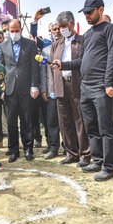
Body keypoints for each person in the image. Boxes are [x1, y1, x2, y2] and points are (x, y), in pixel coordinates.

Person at [52, 0, 113, 181]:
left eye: (90, 12)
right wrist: (63, 65)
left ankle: (109, 166)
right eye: (85, 13)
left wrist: (108, 83)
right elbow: (81, 61)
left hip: (101, 86)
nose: (87, 16)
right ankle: (97, 161)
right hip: (85, 88)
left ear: (101, 9)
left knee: (106, 129)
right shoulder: (89, 35)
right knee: (91, 128)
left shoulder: (109, 29)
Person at [50, 11, 91, 166]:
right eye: (59, 27)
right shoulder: (57, 43)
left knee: (80, 120)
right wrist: (53, 87)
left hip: (77, 85)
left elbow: (83, 63)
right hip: (61, 86)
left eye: (64, 26)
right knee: (65, 121)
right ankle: (71, 153)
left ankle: (85, 154)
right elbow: (52, 68)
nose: (62, 30)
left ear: (72, 23)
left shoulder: (82, 41)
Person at [0, 19, 39, 163]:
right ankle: (14, 150)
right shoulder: (3, 46)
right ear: (8, 31)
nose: (14, 33)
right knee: (11, 122)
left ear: (21, 29)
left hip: (26, 88)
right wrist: (1, 88)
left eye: (17, 30)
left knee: (27, 121)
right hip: (9, 90)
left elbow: (34, 66)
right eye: (12, 31)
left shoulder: (30, 44)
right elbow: (0, 68)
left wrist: (34, 85)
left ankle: (28, 149)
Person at [38, 21, 61, 159]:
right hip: (51, 92)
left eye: (59, 29)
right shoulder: (45, 51)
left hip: (66, 91)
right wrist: (44, 90)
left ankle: (69, 147)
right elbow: (44, 73)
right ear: (50, 32)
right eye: (54, 29)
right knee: (51, 121)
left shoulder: (68, 48)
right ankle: (53, 147)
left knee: (67, 122)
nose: (57, 31)